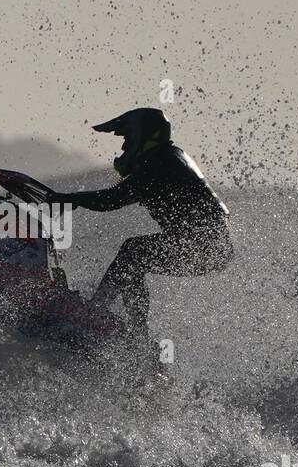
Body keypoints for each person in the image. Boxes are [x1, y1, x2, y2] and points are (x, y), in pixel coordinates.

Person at [48, 108, 233, 343]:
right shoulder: (166, 157)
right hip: (209, 244)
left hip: (205, 245)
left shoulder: (161, 162)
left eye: (127, 139)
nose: (124, 148)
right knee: (135, 258)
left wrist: (70, 198)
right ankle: (136, 337)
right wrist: (72, 199)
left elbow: (110, 200)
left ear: (144, 138)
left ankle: (98, 314)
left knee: (133, 252)